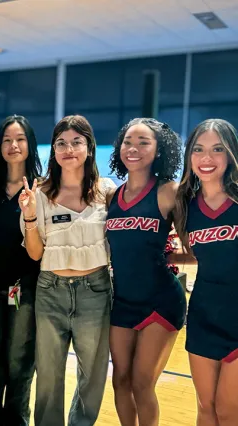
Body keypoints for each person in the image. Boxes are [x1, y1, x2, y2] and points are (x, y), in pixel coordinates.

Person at [19, 115, 115, 426]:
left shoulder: (107, 192)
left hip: (95, 291)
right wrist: (30, 216)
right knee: (48, 374)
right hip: (51, 292)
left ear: (89, 147)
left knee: (93, 373)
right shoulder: (39, 194)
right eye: (61, 143)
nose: (68, 149)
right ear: (54, 151)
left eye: (76, 142)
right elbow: (35, 253)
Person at [106, 118, 186, 426]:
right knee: (120, 381)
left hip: (161, 301)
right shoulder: (113, 196)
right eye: (128, 142)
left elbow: (193, 250)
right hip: (122, 300)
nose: (133, 149)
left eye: (143, 142)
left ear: (159, 150)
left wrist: (168, 255)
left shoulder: (169, 192)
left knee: (142, 383)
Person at [0, 115, 41, 425]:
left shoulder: (43, 189)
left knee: (20, 361)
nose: (14, 146)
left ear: (30, 144)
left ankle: (17, 421)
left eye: (20, 139)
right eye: (7, 140)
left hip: (25, 287)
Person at [174, 119, 238, 426]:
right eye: (198, 149)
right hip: (203, 315)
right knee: (206, 407)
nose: (206, 158)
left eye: (217, 149)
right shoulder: (186, 205)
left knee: (229, 411)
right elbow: (195, 253)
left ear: (230, 155)